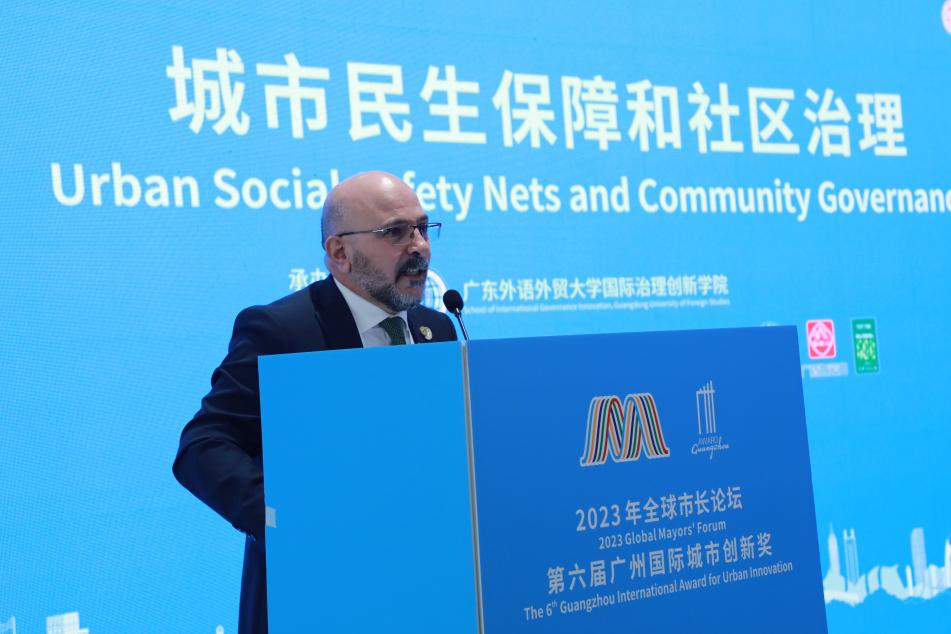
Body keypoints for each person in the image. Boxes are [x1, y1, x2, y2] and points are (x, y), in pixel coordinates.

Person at [173, 171, 457, 633]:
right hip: (316, 596)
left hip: (421, 587)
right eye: (396, 232)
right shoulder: (283, 331)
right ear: (339, 253)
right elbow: (202, 446)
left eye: (424, 229)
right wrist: (289, 520)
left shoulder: (436, 329)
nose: (420, 246)